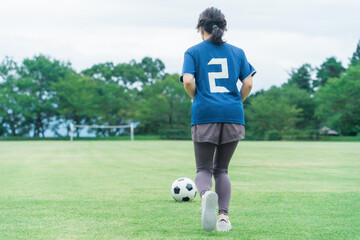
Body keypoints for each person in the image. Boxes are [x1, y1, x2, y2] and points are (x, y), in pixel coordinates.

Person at [180, 7, 256, 232]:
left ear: (200, 28)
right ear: (223, 28)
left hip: (205, 114)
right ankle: (223, 217)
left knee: (203, 168)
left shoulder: (193, 52)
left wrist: (198, 98)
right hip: (233, 115)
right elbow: (249, 83)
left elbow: (187, 81)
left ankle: (205, 195)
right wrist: (236, 103)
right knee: (221, 170)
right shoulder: (238, 52)